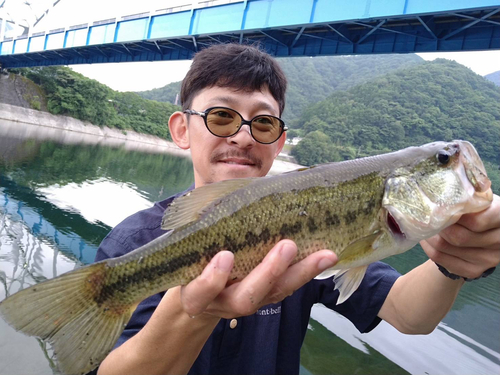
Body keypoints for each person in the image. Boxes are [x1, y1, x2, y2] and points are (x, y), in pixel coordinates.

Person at [94, 43, 500, 375]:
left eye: (264, 124)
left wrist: (455, 263)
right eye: (221, 117)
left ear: (280, 142)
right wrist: (194, 311)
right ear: (182, 129)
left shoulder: (310, 224)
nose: (242, 136)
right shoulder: (133, 243)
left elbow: (410, 316)